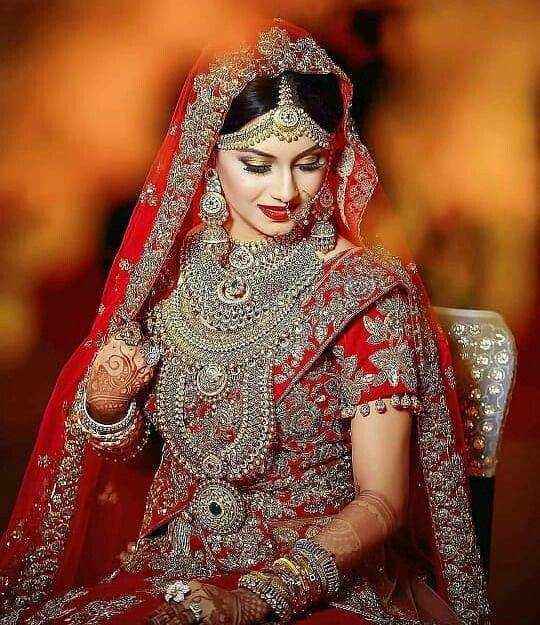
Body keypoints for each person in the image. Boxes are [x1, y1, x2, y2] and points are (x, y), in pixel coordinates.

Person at [0, 18, 491, 625]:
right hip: (177, 566)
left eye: (309, 163)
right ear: (209, 159)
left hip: (318, 581)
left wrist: (257, 598)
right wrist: (110, 409)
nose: (287, 190)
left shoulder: (365, 295)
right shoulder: (175, 280)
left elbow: (383, 502)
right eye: (258, 164)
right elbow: (160, 461)